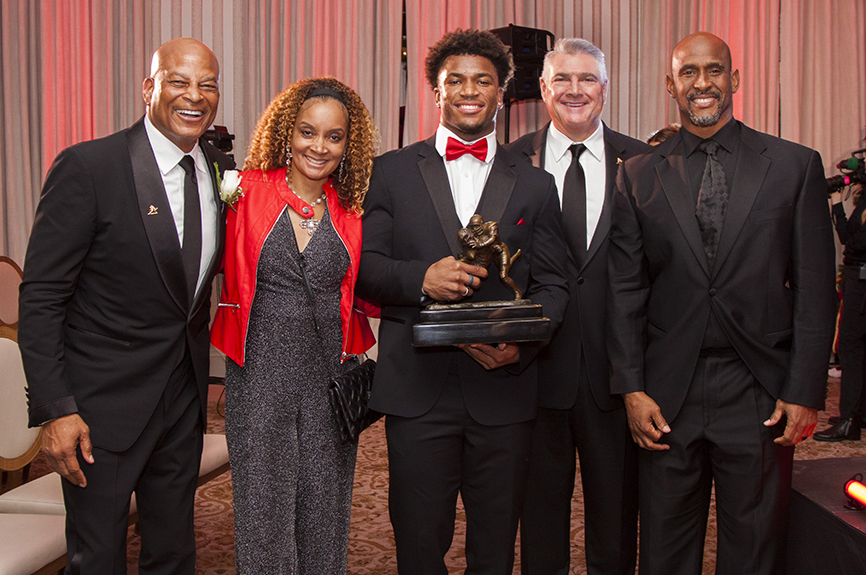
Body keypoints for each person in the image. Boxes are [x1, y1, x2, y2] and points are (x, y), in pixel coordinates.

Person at [606, 32, 836, 575]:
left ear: (733, 79)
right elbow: (625, 290)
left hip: (760, 391)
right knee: (663, 550)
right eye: (688, 72)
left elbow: (814, 288)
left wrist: (804, 390)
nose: (701, 83)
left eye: (714, 70)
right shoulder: (637, 173)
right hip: (667, 395)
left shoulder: (794, 165)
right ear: (671, 86)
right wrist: (632, 389)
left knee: (755, 550)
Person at [357, 28, 570, 574]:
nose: (469, 91)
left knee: (495, 547)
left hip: (504, 392)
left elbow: (555, 285)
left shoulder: (536, 184)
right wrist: (421, 279)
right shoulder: (390, 171)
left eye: (483, 80)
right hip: (416, 391)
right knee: (418, 544)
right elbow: (364, 269)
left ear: (502, 93)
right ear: (437, 91)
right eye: (456, 80)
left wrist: (522, 349)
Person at [18, 38, 233, 573]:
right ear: (148, 88)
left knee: (174, 551)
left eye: (208, 84)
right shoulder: (90, 167)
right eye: (178, 81)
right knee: (97, 557)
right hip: (100, 410)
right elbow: (42, 296)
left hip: (183, 402)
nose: (195, 95)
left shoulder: (219, 168)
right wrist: (56, 408)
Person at [210, 77, 377, 574]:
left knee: (326, 513)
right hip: (258, 376)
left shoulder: (355, 208)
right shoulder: (243, 191)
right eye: (308, 132)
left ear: (348, 144)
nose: (319, 147)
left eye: (333, 136)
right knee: (263, 518)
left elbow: (375, 286)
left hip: (330, 377)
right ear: (288, 132)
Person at [505, 37, 650, 575]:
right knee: (539, 521)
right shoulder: (509, 162)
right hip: (534, 371)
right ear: (543, 89)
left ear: (605, 89)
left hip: (617, 376)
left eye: (587, 78)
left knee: (616, 522)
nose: (575, 89)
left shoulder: (645, 161)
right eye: (562, 79)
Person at [815, 183, 866, 441]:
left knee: (850, 346)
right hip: (857, 278)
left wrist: (837, 204)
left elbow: (853, 242)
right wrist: (837, 202)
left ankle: (849, 420)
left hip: (861, 281)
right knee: (857, 348)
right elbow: (849, 237)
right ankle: (858, 414)